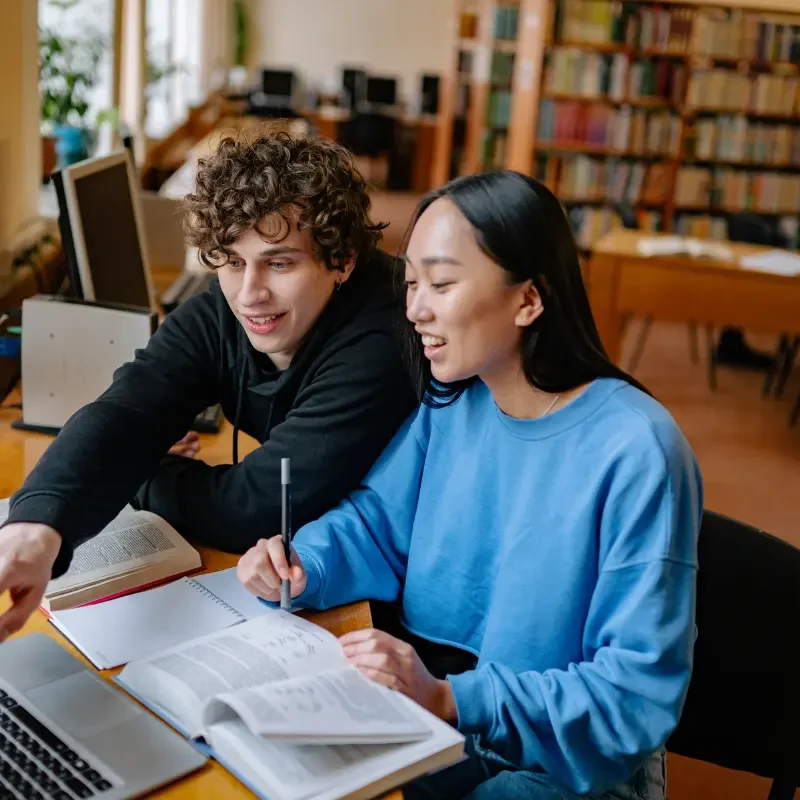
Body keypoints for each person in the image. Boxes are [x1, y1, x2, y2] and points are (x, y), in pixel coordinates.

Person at [237, 170, 703, 800]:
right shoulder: (453, 400)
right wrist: (305, 562)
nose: (415, 309)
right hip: (455, 720)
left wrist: (451, 697)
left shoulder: (637, 449)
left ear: (529, 300)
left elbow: (631, 696)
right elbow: (378, 523)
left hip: (569, 767)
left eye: (443, 283)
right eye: (411, 283)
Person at [0, 132, 416, 639]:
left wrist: (144, 472)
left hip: (393, 610)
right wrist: (38, 525)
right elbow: (128, 410)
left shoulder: (386, 331)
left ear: (342, 259)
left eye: (279, 262)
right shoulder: (225, 308)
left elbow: (258, 506)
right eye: (233, 261)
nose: (249, 294)